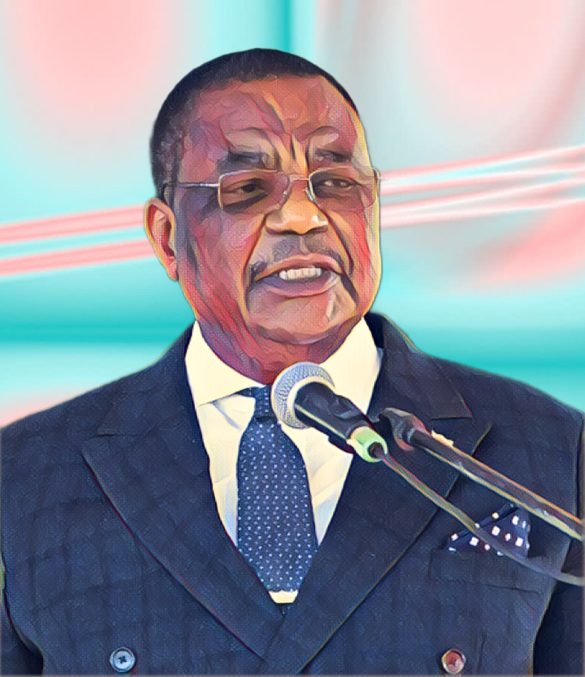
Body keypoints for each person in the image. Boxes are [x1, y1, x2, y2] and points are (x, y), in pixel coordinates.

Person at [1, 48, 582, 675]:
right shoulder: (28, 475)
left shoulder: (547, 448)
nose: (304, 217)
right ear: (168, 238)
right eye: (247, 190)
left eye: (335, 184)